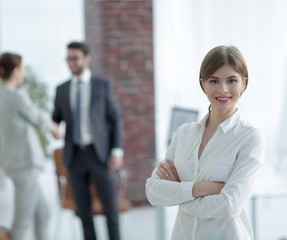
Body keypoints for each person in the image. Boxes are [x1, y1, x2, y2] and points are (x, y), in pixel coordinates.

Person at [146, 45, 265, 240]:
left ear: (244, 82)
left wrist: (178, 194)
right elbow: (152, 191)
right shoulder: (184, 133)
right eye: (214, 81)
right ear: (203, 84)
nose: (223, 89)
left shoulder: (250, 137)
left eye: (232, 80)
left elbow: (229, 206)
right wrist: (198, 188)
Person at [52, 41, 124, 240]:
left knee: (111, 212)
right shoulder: (61, 89)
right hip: (75, 157)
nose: (70, 63)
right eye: (68, 59)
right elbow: (56, 117)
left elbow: (115, 118)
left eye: (75, 58)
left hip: (100, 155)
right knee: (84, 214)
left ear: (87, 58)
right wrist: (54, 125)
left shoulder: (103, 85)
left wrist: (117, 150)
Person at [0, 52, 61, 240]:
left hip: (12, 163)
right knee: (22, 222)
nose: (24, 73)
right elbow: (36, 116)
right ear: (16, 71)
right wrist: (54, 128)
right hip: (24, 164)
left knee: (43, 214)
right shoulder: (16, 95)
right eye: (23, 69)